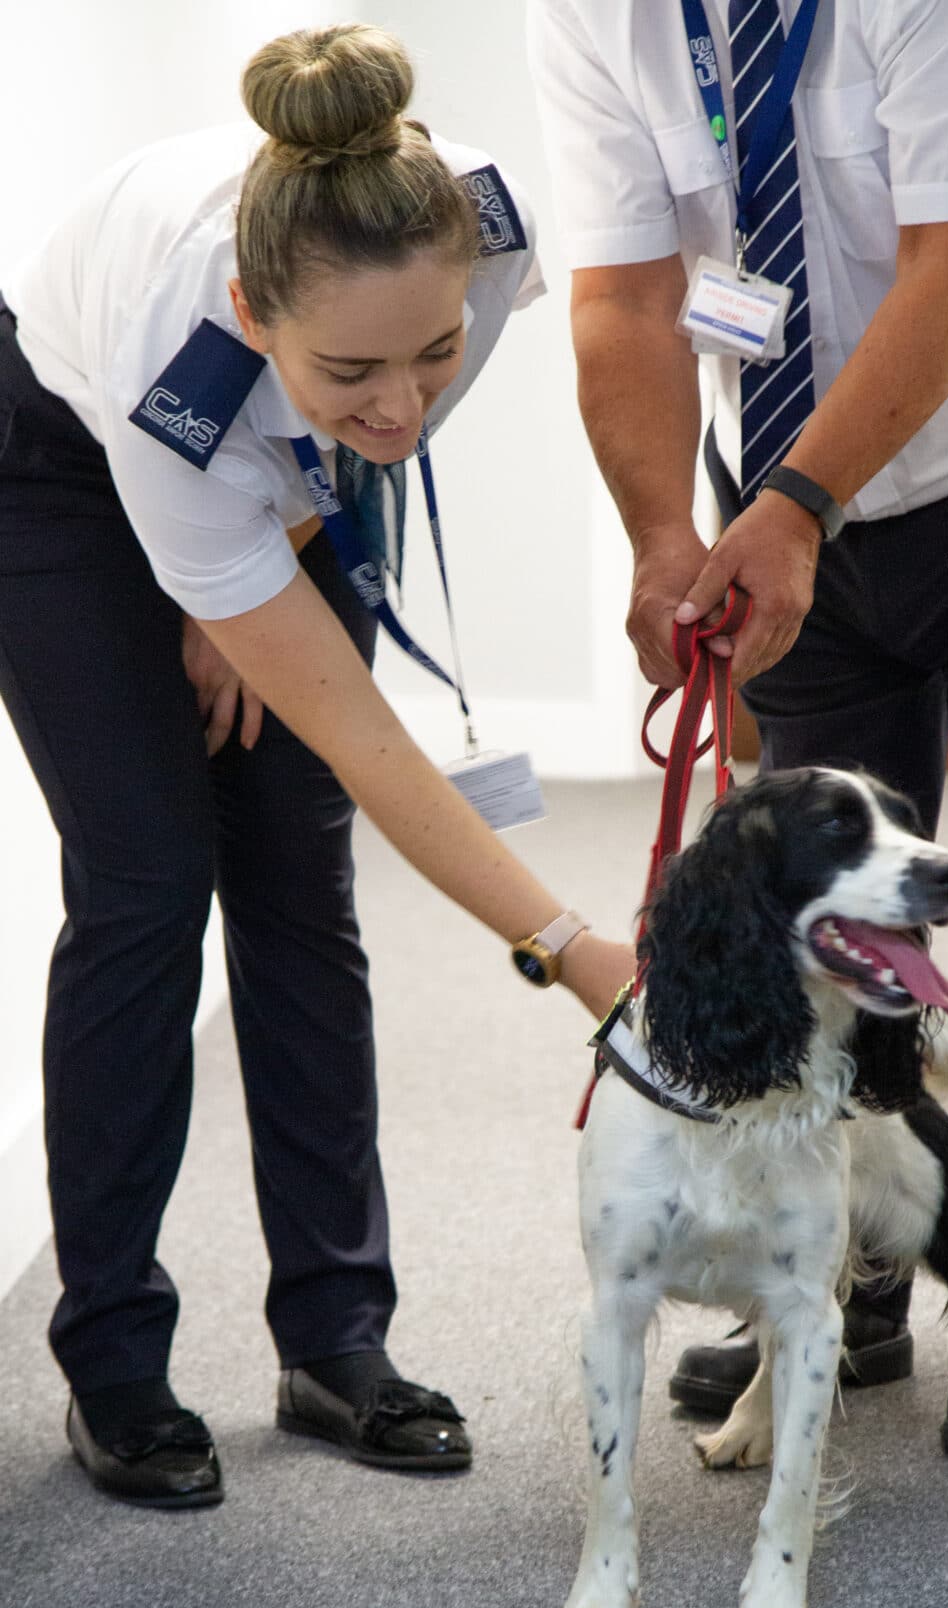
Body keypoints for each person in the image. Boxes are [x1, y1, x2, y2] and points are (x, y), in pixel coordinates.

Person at [528, 0, 948, 1454]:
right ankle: (849, 1263)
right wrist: (657, 534)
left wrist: (796, 509)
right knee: (817, 905)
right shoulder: (593, 14)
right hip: (790, 473)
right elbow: (625, 296)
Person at [0, 23, 633, 1510]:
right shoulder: (180, 355)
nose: (410, 402)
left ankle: (337, 1343)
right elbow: (366, 730)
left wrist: (264, 561)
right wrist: (571, 947)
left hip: (257, 467)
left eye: (437, 350)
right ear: (254, 310)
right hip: (61, 469)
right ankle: (114, 1361)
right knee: (151, 877)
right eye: (359, 364)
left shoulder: (474, 231)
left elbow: (366, 436)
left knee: (297, 869)